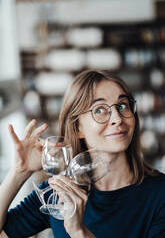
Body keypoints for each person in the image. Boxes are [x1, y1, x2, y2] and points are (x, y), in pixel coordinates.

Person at [0, 69, 165, 238]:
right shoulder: (56, 193)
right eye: (99, 110)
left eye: (123, 106)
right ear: (78, 128)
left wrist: (79, 232)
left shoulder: (160, 194)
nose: (117, 118)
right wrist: (19, 172)